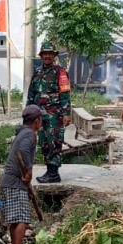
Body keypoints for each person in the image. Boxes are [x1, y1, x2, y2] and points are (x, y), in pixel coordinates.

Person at [25, 41, 72, 184]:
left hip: (55, 115)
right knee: (44, 142)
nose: (47, 56)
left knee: (54, 141)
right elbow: (31, 94)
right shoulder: (37, 73)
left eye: (50, 54)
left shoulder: (60, 72)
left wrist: (66, 113)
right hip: (40, 115)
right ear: (41, 56)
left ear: (54, 55)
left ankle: (53, 173)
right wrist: (28, 113)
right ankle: (49, 170)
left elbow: (65, 93)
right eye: (45, 54)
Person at [1, 105, 42, 244]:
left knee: (15, 219)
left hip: (9, 181)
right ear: (37, 121)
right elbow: (24, 150)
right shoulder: (30, 134)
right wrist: (29, 171)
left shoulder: (22, 132)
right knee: (22, 219)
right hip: (15, 182)